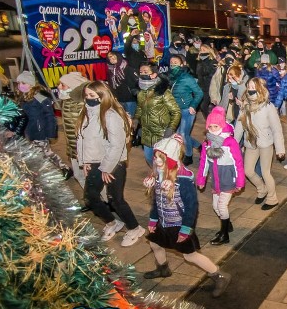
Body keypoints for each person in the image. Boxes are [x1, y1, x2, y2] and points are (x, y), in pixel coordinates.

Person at [142, 136, 231, 298]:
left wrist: (185, 229)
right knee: (155, 243)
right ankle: (163, 268)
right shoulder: (158, 175)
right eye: (155, 156)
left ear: (170, 158)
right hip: (163, 221)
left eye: (160, 157)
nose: (155, 160)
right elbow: (156, 201)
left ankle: (219, 275)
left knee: (190, 256)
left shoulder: (182, 180)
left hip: (178, 224)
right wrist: (153, 219)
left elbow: (191, 207)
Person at [76, 81, 145, 247]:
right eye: (86, 95)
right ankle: (112, 222)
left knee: (116, 200)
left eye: (92, 95)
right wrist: (84, 160)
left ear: (103, 96)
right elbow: (82, 139)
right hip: (94, 161)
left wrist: (106, 168)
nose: (88, 99)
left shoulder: (111, 115)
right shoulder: (86, 112)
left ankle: (135, 228)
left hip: (113, 163)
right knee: (91, 197)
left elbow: (117, 145)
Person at [235, 77, 286, 210]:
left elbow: (276, 128)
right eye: (249, 87)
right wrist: (234, 144)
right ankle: (261, 189)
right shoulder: (245, 105)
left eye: (253, 87)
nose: (251, 90)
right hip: (250, 143)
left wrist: (280, 148)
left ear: (260, 89)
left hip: (265, 143)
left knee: (265, 172)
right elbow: (240, 125)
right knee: (248, 171)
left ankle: (272, 198)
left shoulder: (268, 106)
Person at [197, 107, 245, 246]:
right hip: (216, 180)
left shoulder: (230, 142)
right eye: (210, 127)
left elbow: (238, 163)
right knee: (215, 206)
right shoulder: (207, 143)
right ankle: (227, 225)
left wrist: (240, 182)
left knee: (222, 206)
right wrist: (201, 179)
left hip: (228, 179)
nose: (212, 129)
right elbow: (204, 162)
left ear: (222, 125)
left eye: (216, 126)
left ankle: (224, 234)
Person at [15, 71, 71, 178]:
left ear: (31, 84)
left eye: (23, 83)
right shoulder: (23, 97)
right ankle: (63, 168)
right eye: (18, 83)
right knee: (45, 152)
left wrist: (51, 133)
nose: (20, 86)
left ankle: (57, 171)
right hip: (29, 131)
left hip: (40, 131)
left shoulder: (39, 97)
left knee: (42, 153)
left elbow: (49, 115)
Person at [134, 63, 181, 165]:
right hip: (147, 133)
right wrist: (136, 120)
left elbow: (176, 112)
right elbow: (140, 108)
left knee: (162, 163)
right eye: (141, 72)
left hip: (161, 133)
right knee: (149, 159)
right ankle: (155, 177)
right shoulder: (141, 92)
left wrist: (171, 128)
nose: (142, 74)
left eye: (146, 72)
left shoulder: (163, 92)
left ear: (154, 75)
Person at [167, 55, 204, 166]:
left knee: (183, 134)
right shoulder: (169, 77)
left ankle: (188, 155)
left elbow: (199, 93)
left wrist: (193, 105)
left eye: (176, 62)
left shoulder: (187, 78)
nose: (173, 64)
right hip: (175, 110)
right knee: (180, 134)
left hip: (186, 110)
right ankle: (198, 145)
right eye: (171, 62)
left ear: (182, 64)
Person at [106, 51, 138, 119]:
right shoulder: (110, 71)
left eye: (114, 56)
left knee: (130, 120)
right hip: (118, 100)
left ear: (118, 56)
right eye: (110, 57)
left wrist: (134, 93)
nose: (112, 58)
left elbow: (136, 82)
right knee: (121, 120)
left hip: (129, 99)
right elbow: (111, 85)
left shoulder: (128, 68)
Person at [194, 44, 219, 118]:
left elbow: (212, 75)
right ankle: (210, 120)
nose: (202, 51)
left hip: (210, 87)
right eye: (201, 50)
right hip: (201, 87)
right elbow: (198, 73)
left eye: (204, 50)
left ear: (209, 51)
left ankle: (211, 120)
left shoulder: (213, 61)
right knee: (203, 106)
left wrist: (204, 62)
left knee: (205, 105)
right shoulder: (200, 62)